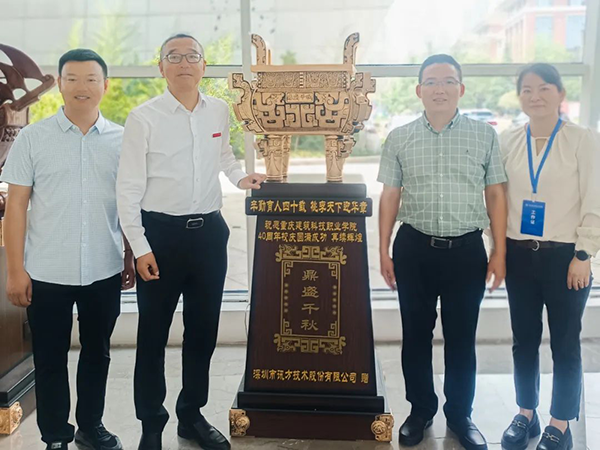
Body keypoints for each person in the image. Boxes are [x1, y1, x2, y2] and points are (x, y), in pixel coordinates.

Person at [116, 33, 266, 450]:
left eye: (192, 56)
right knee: (152, 336)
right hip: (160, 238)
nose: (184, 63)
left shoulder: (217, 110)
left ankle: (191, 416)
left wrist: (241, 178)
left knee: (202, 332)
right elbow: (127, 189)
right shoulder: (143, 117)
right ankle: (151, 425)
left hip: (209, 237)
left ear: (203, 65)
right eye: (174, 56)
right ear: (161, 66)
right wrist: (140, 248)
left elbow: (225, 157)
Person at [1, 48, 135, 450]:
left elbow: (130, 204)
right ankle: (56, 436)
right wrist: (15, 271)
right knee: (49, 357)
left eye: (91, 79)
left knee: (98, 353)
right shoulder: (33, 138)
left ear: (105, 86)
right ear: (59, 84)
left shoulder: (123, 140)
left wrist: (130, 254)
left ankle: (91, 427)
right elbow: (16, 207)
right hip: (46, 271)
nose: (82, 87)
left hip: (104, 268)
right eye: (72, 78)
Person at [377, 54, 507, 450]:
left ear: (461, 89)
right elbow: (390, 196)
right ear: (419, 90)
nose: (440, 89)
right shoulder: (399, 137)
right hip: (414, 248)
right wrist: (383, 250)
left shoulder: (484, 135)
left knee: (461, 338)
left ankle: (460, 415)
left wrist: (499, 251)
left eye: (448, 81)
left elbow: (495, 194)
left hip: (466, 252)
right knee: (415, 335)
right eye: (431, 82)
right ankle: (420, 411)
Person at [499, 63, 600, 450]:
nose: (535, 96)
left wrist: (584, 253)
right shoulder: (509, 141)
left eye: (544, 88)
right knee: (523, 341)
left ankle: (560, 423)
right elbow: (498, 199)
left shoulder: (581, 140)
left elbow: (595, 199)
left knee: (565, 343)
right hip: (520, 255)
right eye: (527, 89)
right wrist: (499, 249)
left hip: (567, 259)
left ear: (560, 94)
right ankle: (526, 413)